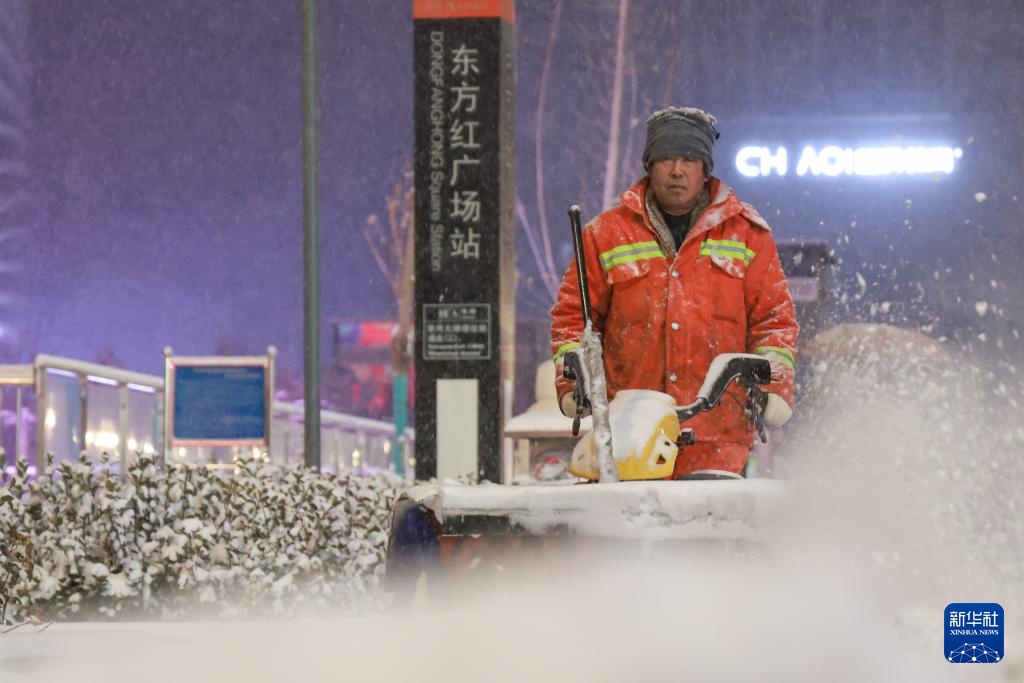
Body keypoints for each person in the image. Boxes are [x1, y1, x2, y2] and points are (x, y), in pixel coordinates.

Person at [550, 106, 799, 478]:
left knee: (713, 534)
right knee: (625, 535)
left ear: (705, 168)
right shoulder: (604, 235)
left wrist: (775, 384)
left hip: (718, 436)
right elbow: (575, 319)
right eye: (666, 158)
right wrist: (574, 381)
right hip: (630, 432)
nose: (677, 170)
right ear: (650, 166)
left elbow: (774, 321)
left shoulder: (747, 234)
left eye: (689, 159)